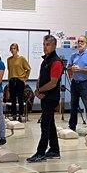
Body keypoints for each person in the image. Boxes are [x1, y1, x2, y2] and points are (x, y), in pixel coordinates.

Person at [27, 35, 63, 163]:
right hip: (43, 96)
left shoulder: (56, 62)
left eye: (47, 44)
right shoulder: (45, 61)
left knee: (45, 124)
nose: (45, 47)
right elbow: (40, 77)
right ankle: (54, 149)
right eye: (44, 44)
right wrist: (37, 90)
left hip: (51, 97)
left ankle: (40, 152)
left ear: (54, 46)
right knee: (50, 123)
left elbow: (53, 82)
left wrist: (41, 90)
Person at [68, 36, 87, 133]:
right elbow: (68, 67)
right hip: (74, 83)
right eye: (79, 41)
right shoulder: (73, 55)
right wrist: (71, 69)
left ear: (86, 43)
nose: (80, 43)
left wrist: (80, 69)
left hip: (85, 83)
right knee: (73, 105)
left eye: (82, 41)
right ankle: (72, 126)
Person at [7, 43, 31, 121]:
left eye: (14, 48)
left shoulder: (21, 59)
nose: (13, 50)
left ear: (17, 49)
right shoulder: (9, 59)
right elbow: (9, 69)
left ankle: (20, 115)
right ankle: (14, 115)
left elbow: (28, 68)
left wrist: (25, 78)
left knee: (20, 98)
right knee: (13, 98)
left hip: (19, 80)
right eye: (11, 48)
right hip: (12, 80)